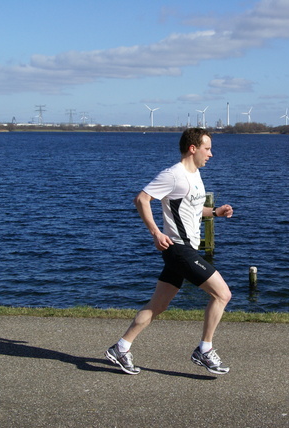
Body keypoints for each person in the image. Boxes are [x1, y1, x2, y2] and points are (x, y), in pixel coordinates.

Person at [105, 128, 233, 375]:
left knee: (158, 305)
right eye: (207, 149)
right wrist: (155, 232)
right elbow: (141, 199)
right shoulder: (173, 175)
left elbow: (192, 210)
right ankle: (204, 350)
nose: (211, 154)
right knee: (222, 294)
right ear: (193, 148)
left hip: (183, 250)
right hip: (178, 250)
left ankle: (121, 347)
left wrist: (216, 212)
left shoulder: (194, 174)